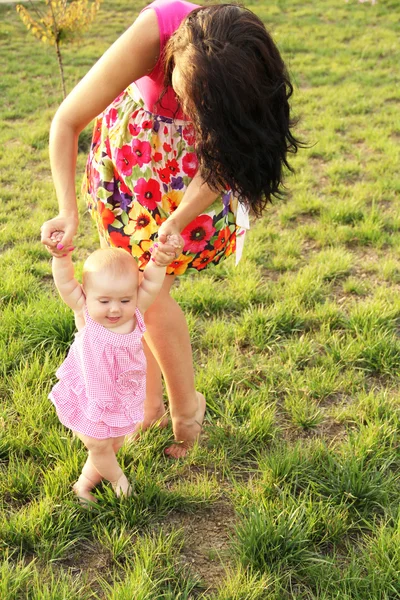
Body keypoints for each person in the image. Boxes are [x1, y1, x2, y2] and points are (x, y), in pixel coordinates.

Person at [40, 0, 301, 458]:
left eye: (197, 106)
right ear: (174, 53)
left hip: (185, 181)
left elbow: (227, 159)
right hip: (127, 172)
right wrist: (67, 211)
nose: (184, 105)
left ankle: (185, 412)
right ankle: (150, 407)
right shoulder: (157, 29)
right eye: (186, 93)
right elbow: (66, 120)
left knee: (151, 296)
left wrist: (179, 219)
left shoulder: (241, 67)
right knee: (131, 291)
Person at [49, 233, 181, 503]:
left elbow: (153, 282)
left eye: (123, 300)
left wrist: (159, 260)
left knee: (114, 444)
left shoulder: (136, 313)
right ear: (88, 295)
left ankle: (84, 484)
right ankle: (118, 480)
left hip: (121, 396)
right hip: (92, 396)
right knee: (97, 443)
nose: (114, 309)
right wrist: (60, 257)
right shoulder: (84, 312)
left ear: (134, 294)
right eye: (104, 301)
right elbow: (64, 282)